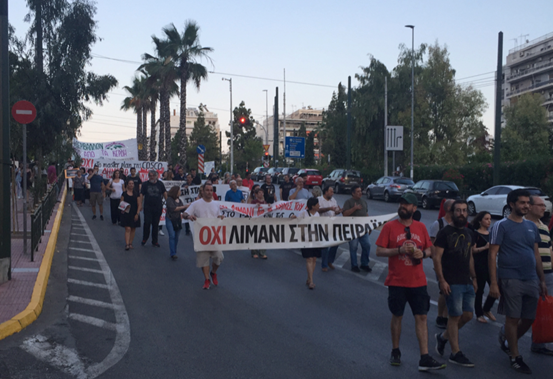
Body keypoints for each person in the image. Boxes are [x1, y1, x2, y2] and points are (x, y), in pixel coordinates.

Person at [375, 193, 445, 371]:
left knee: (421, 316)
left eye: (406, 204)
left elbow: (430, 248)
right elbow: (379, 251)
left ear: (414, 208)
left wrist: (424, 254)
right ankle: (396, 350)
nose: (402, 206)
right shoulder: (390, 227)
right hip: (397, 281)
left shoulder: (421, 227)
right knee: (397, 316)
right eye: (401, 203)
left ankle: (424, 357)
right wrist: (398, 250)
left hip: (418, 281)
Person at [489, 189, 548, 374]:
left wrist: (542, 279)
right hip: (510, 278)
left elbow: (536, 254)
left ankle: (507, 340)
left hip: (531, 277)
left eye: (527, 203)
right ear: (512, 204)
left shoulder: (531, 227)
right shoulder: (501, 225)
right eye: (522, 203)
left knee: (529, 318)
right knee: (513, 317)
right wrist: (493, 283)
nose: (526, 206)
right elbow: (492, 255)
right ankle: (515, 356)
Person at [433, 200, 477, 368]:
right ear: (452, 212)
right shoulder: (445, 233)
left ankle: (443, 337)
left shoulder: (469, 233)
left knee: (468, 316)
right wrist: (442, 280)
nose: (461, 213)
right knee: (454, 316)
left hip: (467, 280)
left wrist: (474, 278)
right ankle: (455, 353)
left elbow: (470, 257)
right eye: (458, 210)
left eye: (464, 210)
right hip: (452, 281)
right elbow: (437, 258)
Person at [525, 195, 553, 355]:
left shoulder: (543, 226)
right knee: (527, 311)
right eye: (541, 205)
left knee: (545, 310)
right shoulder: (524, 225)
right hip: (530, 274)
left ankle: (539, 343)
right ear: (530, 206)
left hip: (548, 274)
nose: (544, 208)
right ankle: (507, 334)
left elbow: (548, 249)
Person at [185, 183, 224, 290]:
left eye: (211, 190)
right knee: (204, 259)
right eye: (207, 190)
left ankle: (213, 272)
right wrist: (189, 216)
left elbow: (218, 215)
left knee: (219, 257)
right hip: (201, 236)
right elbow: (184, 214)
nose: (209, 192)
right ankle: (207, 279)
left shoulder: (216, 204)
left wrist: (221, 217)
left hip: (214, 235)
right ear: (202, 191)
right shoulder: (196, 204)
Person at [429, 198, 455, 329]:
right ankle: (440, 316)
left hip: (454, 263)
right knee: (443, 290)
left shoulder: (457, 224)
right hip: (442, 262)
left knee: (451, 290)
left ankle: (446, 315)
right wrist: (436, 260)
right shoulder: (438, 224)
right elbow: (432, 244)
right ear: (449, 209)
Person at [471, 211, 497, 323]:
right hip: (479, 265)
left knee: (496, 288)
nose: (489, 221)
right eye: (486, 219)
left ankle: (486, 308)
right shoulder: (475, 234)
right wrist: (485, 247)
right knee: (480, 290)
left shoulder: (491, 234)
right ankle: (479, 313)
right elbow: (473, 250)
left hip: (490, 264)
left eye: (490, 219)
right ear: (480, 220)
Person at [292, 197, 322, 290]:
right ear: (313, 206)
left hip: (315, 239)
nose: (319, 206)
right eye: (317, 204)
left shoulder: (317, 214)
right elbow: (296, 221)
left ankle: (309, 278)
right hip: (305, 239)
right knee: (309, 258)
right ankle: (311, 280)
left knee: (313, 258)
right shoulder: (304, 213)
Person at [342, 185, 371, 273]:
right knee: (353, 247)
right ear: (353, 193)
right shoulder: (348, 202)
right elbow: (345, 214)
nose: (360, 193)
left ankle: (364, 264)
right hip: (352, 229)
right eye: (357, 191)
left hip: (363, 229)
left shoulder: (364, 202)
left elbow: (366, 214)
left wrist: (369, 226)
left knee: (367, 245)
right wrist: (354, 208)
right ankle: (354, 265)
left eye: (360, 191)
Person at [140, 170, 167, 247]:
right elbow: (142, 194)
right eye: (150, 176)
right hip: (148, 207)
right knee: (147, 223)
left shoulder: (160, 184)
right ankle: (145, 238)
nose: (151, 177)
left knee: (156, 224)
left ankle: (155, 241)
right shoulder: (145, 184)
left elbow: (165, 193)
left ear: (156, 176)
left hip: (158, 207)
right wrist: (140, 205)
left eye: (153, 176)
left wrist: (168, 203)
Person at [318, 186, 342, 272]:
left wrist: (338, 211)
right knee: (325, 246)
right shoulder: (319, 200)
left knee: (335, 243)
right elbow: (318, 210)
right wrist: (328, 208)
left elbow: (335, 211)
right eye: (331, 191)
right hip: (323, 224)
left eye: (332, 192)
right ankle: (324, 264)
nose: (332, 193)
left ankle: (330, 261)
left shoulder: (333, 200)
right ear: (326, 192)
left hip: (333, 224)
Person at [166, 186, 188, 261]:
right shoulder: (169, 199)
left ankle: (174, 250)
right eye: (179, 191)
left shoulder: (179, 200)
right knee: (172, 235)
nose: (180, 192)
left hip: (177, 220)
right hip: (170, 219)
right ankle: (173, 253)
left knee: (176, 237)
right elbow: (173, 209)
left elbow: (183, 209)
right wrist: (184, 206)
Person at [121, 179, 141, 250]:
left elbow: (139, 204)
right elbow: (121, 203)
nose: (131, 185)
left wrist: (137, 214)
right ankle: (127, 244)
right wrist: (124, 209)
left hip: (134, 213)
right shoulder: (124, 193)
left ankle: (130, 243)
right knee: (128, 228)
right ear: (127, 184)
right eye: (130, 183)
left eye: (132, 183)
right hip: (126, 213)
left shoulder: (136, 194)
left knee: (133, 228)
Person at [250, 188, 268, 259]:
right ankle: (254, 252)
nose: (261, 194)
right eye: (260, 193)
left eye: (262, 192)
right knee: (255, 236)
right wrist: (254, 206)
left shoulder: (264, 202)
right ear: (256, 194)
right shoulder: (253, 202)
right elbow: (250, 210)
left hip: (263, 221)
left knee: (263, 237)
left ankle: (262, 252)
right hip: (255, 221)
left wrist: (269, 206)